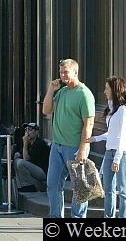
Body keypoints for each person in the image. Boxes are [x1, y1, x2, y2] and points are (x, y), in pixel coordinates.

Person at [43, 58, 95, 218]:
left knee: (79, 187)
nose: (63, 75)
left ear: (75, 72)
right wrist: (51, 90)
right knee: (52, 185)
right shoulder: (62, 92)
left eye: (66, 72)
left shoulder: (84, 94)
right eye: (61, 72)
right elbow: (46, 110)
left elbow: (89, 124)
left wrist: (82, 149)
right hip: (57, 146)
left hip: (74, 147)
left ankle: (78, 219)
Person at [86, 76, 126, 218]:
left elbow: (121, 135)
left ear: (114, 90)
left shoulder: (123, 110)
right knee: (108, 188)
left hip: (123, 152)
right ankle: (109, 216)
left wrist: (117, 160)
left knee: (123, 189)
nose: (104, 91)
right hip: (110, 151)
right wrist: (95, 138)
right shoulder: (112, 109)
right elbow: (112, 133)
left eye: (107, 88)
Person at [13, 122, 50, 192]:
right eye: (26, 130)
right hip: (35, 168)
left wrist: (25, 143)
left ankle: (29, 186)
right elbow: (19, 154)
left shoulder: (39, 143)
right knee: (16, 160)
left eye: (30, 130)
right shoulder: (30, 142)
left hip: (43, 172)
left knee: (21, 163)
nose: (27, 132)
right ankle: (21, 185)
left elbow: (26, 158)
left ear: (36, 132)